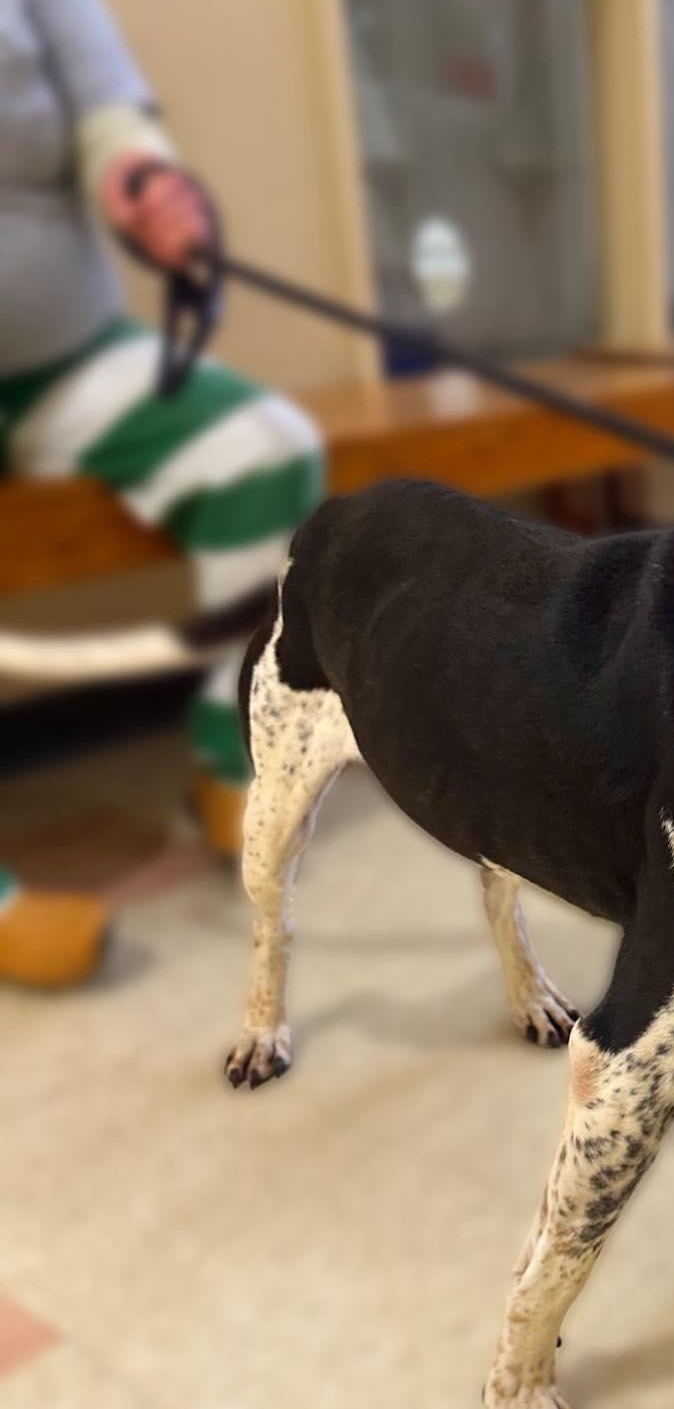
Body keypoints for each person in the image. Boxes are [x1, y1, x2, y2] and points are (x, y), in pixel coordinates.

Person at [0, 0, 322, 987]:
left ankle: (232, 760)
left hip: (61, 357)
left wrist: (140, 179)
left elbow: (107, 113)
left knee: (271, 453)